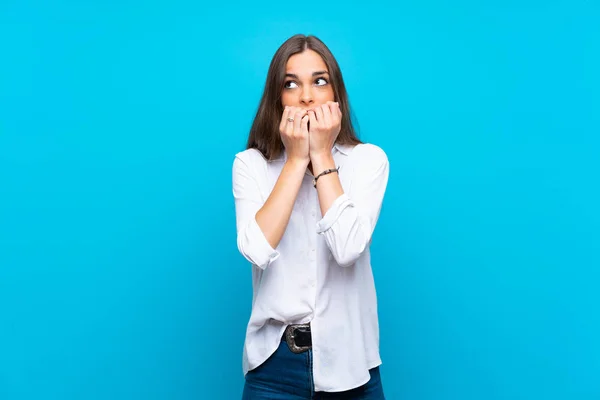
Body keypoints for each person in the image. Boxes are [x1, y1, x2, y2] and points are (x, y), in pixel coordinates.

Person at [232, 34, 389, 399]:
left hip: (351, 363)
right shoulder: (250, 165)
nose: (306, 96)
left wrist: (321, 156)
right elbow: (255, 248)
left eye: (320, 81)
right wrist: (296, 158)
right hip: (274, 366)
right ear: (278, 98)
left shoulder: (368, 161)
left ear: (336, 94)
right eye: (291, 84)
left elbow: (347, 248)